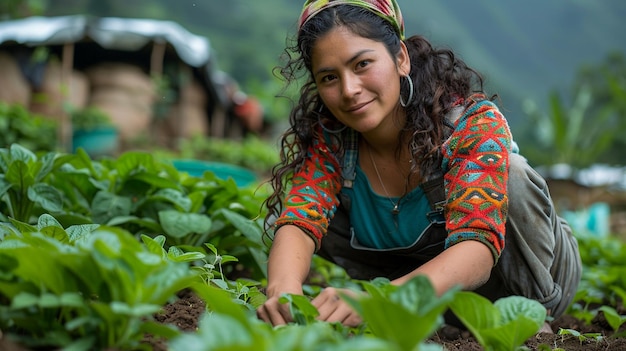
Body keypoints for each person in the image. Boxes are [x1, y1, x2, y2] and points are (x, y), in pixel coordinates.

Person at [256, 0, 582, 329]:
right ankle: (433, 316)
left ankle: (530, 321)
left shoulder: (467, 123)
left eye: (362, 64)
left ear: (400, 57)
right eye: (329, 77)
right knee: (290, 219)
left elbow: (478, 250)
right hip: (427, 292)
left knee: (512, 175)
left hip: (531, 281)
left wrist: (378, 301)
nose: (349, 90)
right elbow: (300, 218)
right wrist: (284, 294)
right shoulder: (333, 137)